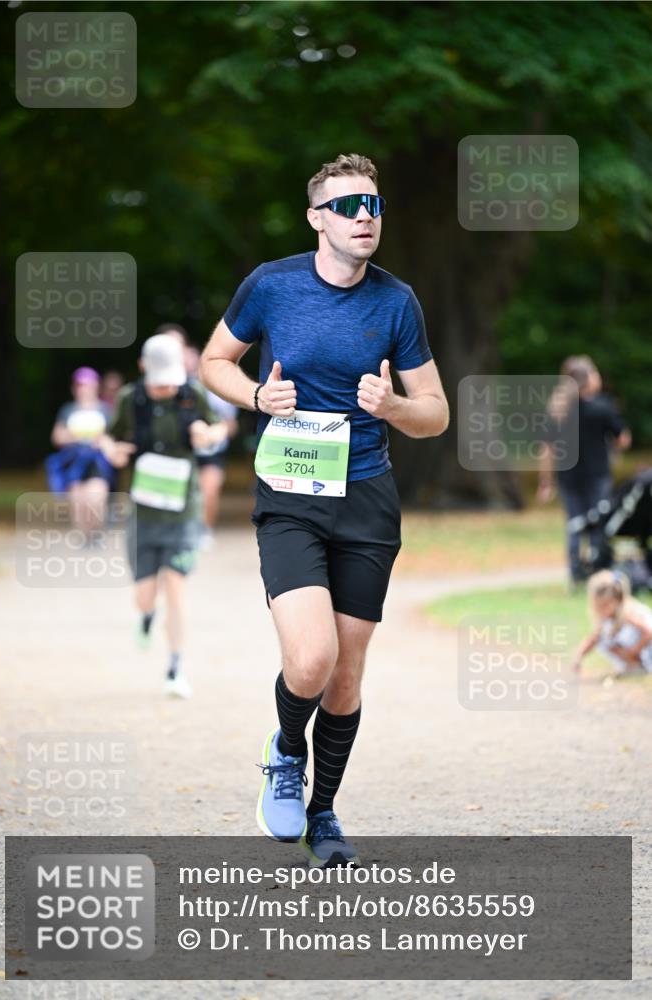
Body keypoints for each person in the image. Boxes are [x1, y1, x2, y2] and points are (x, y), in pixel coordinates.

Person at [200, 153, 449, 866]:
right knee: (311, 659)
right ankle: (286, 751)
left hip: (367, 497)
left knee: (345, 673)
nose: (364, 216)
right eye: (346, 206)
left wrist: (393, 406)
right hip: (290, 493)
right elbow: (213, 362)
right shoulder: (271, 285)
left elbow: (435, 413)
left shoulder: (396, 302)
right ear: (316, 218)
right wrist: (256, 396)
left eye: (372, 205)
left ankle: (324, 811)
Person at [100, 334, 227, 698]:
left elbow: (219, 426)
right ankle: (146, 616)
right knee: (144, 596)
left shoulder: (192, 394)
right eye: (159, 382)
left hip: (183, 510)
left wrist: (208, 435)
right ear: (143, 369)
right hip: (144, 511)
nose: (166, 388)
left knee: (175, 586)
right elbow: (108, 438)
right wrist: (112, 451)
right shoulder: (130, 399)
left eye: (171, 380)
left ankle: (175, 668)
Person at [538, 355, 630, 586]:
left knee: (574, 524)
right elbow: (622, 439)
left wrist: (546, 482)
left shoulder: (557, 410)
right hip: (597, 475)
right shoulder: (602, 407)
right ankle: (599, 570)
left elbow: (546, 449)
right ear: (588, 378)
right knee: (599, 521)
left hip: (568, 478)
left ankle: (575, 574)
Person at [159, 325, 239, 548]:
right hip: (172, 453)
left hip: (208, 452)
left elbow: (229, 424)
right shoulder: (151, 388)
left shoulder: (208, 383)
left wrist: (212, 433)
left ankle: (204, 530)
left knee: (209, 490)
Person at [47, 367, 115, 541]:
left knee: (95, 499)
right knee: (78, 502)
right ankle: (84, 537)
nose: (84, 389)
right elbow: (56, 437)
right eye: (80, 386)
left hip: (97, 462)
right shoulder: (68, 410)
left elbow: (113, 438)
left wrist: (102, 441)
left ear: (96, 387)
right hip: (74, 462)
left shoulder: (105, 411)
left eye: (87, 385)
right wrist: (74, 436)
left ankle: (96, 532)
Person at [572, 570, 652, 676]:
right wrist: (579, 656)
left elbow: (648, 633)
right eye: (597, 607)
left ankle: (637, 666)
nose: (599, 611)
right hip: (640, 652)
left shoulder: (629, 613)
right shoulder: (609, 618)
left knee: (612, 638)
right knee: (604, 638)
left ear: (616, 601)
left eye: (603, 607)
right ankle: (633, 665)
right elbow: (594, 638)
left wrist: (631, 652)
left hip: (648, 652)